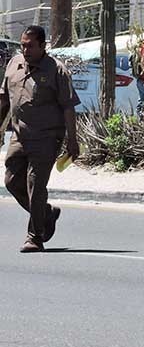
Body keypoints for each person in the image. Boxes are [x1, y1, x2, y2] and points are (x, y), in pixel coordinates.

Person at [0, 25, 80, 253]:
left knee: (35, 184)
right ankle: (46, 213)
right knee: (12, 182)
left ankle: (35, 236)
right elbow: (4, 100)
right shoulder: (14, 64)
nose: (25, 49)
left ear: (43, 46)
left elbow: (68, 108)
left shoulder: (57, 70)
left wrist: (72, 141)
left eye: (30, 46)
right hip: (18, 136)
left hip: (47, 137)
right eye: (23, 45)